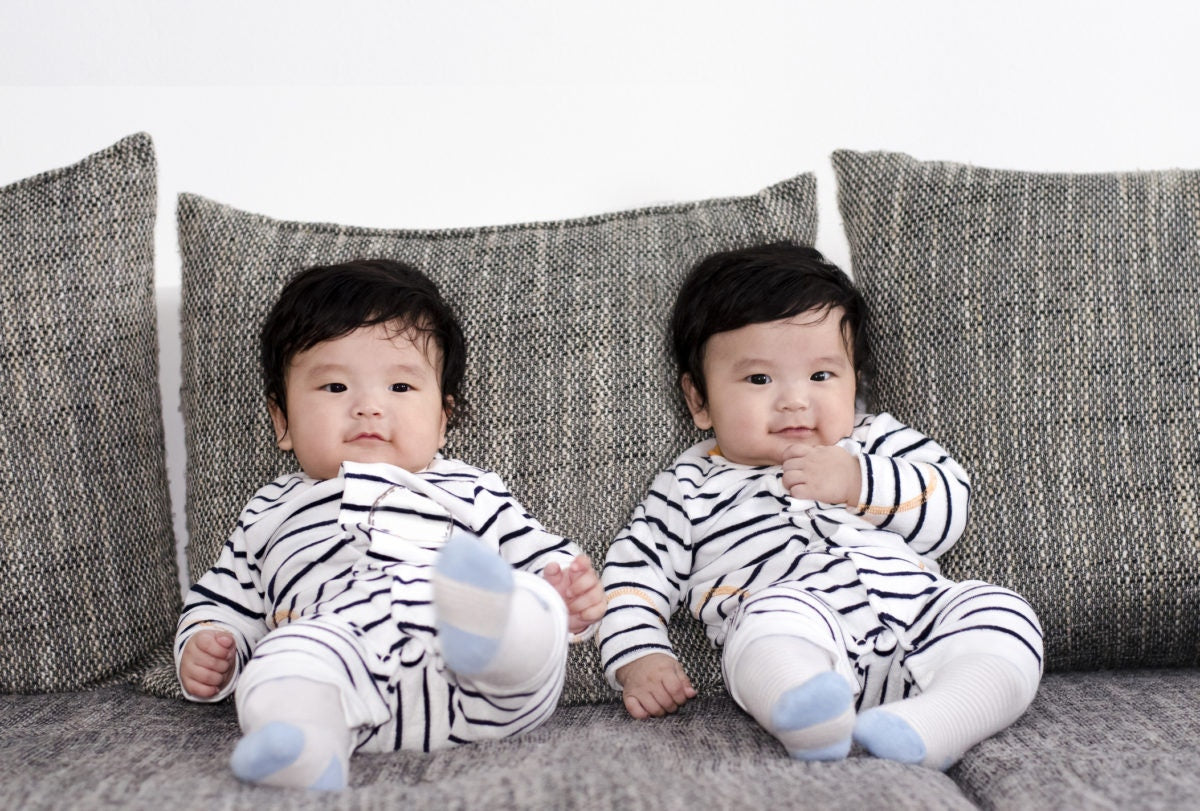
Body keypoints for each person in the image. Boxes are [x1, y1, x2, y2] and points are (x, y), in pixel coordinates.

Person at [597, 242, 1043, 770]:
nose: (794, 400)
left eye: (821, 376)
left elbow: (948, 509)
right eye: (759, 379)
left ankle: (937, 721)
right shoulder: (689, 485)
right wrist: (639, 656)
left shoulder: (875, 442)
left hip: (919, 616)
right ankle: (809, 716)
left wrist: (859, 481)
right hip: (796, 623)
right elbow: (633, 575)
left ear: (854, 381)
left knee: (1003, 613)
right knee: (765, 629)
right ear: (698, 399)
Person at [176, 259, 605, 790]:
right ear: (281, 421)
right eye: (334, 387)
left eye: (400, 388)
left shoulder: (470, 490)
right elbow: (222, 602)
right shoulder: (269, 512)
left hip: (485, 687)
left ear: (443, 419)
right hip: (351, 684)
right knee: (282, 663)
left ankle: (496, 631)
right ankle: (306, 743)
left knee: (526, 603)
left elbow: (540, 552)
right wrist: (208, 644)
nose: (369, 408)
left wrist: (566, 591)